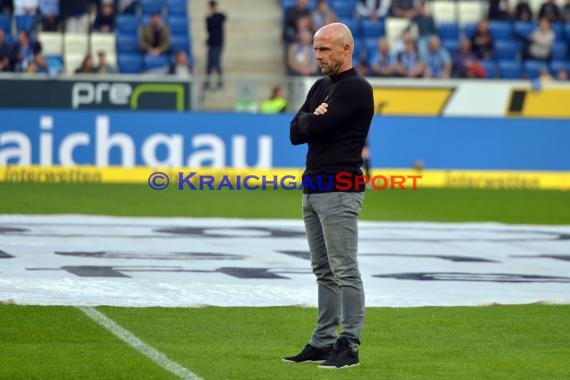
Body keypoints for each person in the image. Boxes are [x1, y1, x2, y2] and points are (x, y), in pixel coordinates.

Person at [283, 22, 373, 369]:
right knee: (323, 270)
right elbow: (295, 131)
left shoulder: (356, 89)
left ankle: (348, 344)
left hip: (340, 188)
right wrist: (310, 117)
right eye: (316, 49)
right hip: (314, 187)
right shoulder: (321, 86)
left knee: (344, 269)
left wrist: (311, 119)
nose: (317, 55)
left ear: (346, 49)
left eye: (324, 49)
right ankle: (322, 342)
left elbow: (313, 127)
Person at [204, 0, 226, 91]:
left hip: (217, 44)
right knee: (209, 64)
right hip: (211, 43)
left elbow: (222, 19)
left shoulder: (219, 16)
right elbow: (209, 28)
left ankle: (220, 83)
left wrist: (213, 14)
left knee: (216, 64)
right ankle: (207, 83)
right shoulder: (209, 18)